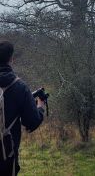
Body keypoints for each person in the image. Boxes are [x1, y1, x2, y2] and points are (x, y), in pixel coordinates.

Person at [0, 40, 45, 176]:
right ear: (11, 59)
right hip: (6, 155)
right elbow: (32, 122)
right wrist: (40, 106)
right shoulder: (20, 87)